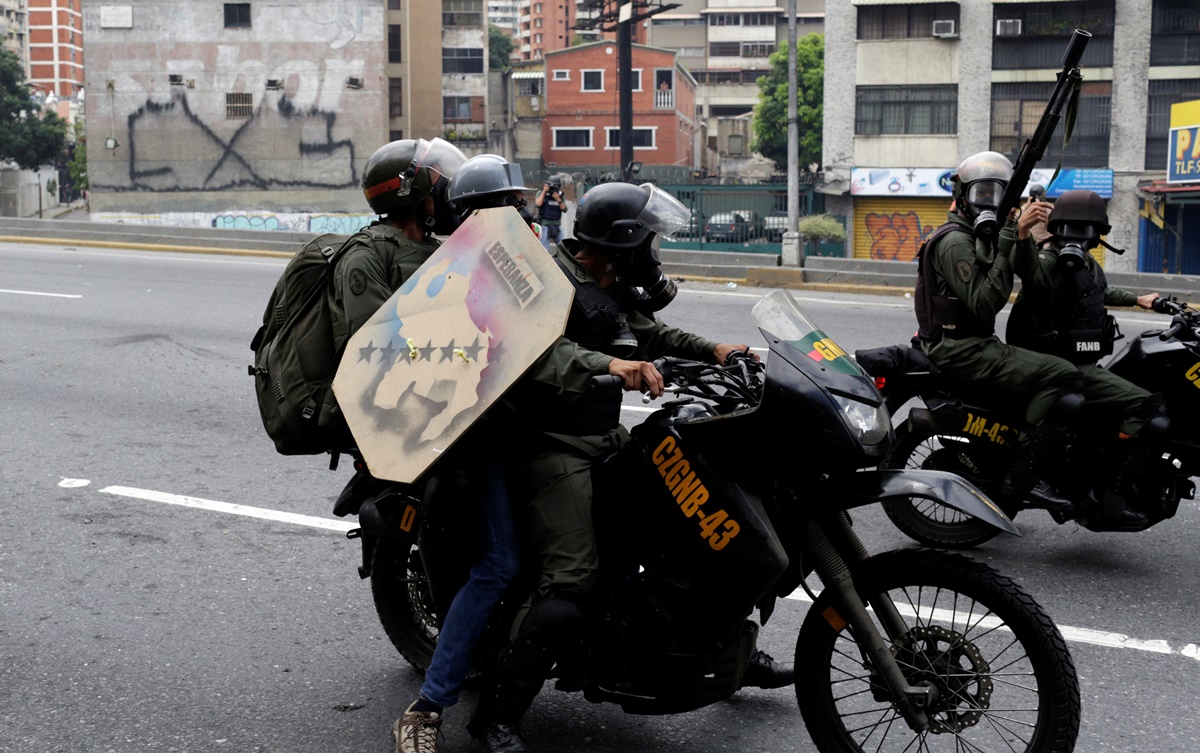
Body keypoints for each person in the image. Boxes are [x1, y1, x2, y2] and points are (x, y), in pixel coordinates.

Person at [467, 182, 792, 753]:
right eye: (649, 242)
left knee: (689, 527)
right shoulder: (545, 280)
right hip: (550, 444)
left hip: (603, 434)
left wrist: (715, 350)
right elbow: (541, 353)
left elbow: (652, 331)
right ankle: (496, 714)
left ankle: (719, 651)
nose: (655, 253)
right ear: (620, 246)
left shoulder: (606, 285)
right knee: (573, 580)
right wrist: (616, 365)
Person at [390, 153, 539, 753]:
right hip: (475, 436)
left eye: (519, 204)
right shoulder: (460, 276)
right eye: (507, 205)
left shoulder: (521, 264)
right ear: (479, 215)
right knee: (499, 563)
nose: (521, 214)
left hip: (526, 429)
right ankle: (427, 708)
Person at [912, 150, 1088, 512]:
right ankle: (1024, 470)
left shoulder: (979, 235)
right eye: (982, 194)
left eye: (998, 195)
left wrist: (1023, 233)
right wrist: (1011, 233)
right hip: (960, 348)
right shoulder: (955, 241)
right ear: (962, 195)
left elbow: (1031, 274)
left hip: (974, 342)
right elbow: (983, 303)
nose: (988, 203)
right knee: (1063, 376)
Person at [1005, 189, 1164, 525]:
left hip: (1079, 359)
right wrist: (1022, 234)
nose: (1078, 237)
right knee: (1146, 405)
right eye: (1071, 228)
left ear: (1098, 235)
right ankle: (1109, 489)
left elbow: (1098, 292)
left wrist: (1139, 300)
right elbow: (1031, 273)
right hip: (1062, 363)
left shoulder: (1087, 265)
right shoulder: (1050, 260)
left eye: (1085, 229)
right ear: (1057, 228)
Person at [534, 177, 566, 249]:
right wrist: (544, 192)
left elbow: (565, 209)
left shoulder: (560, 195)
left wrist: (558, 199)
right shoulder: (541, 192)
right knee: (544, 248)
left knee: (564, 247)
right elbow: (538, 204)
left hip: (557, 224)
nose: (553, 188)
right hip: (544, 223)